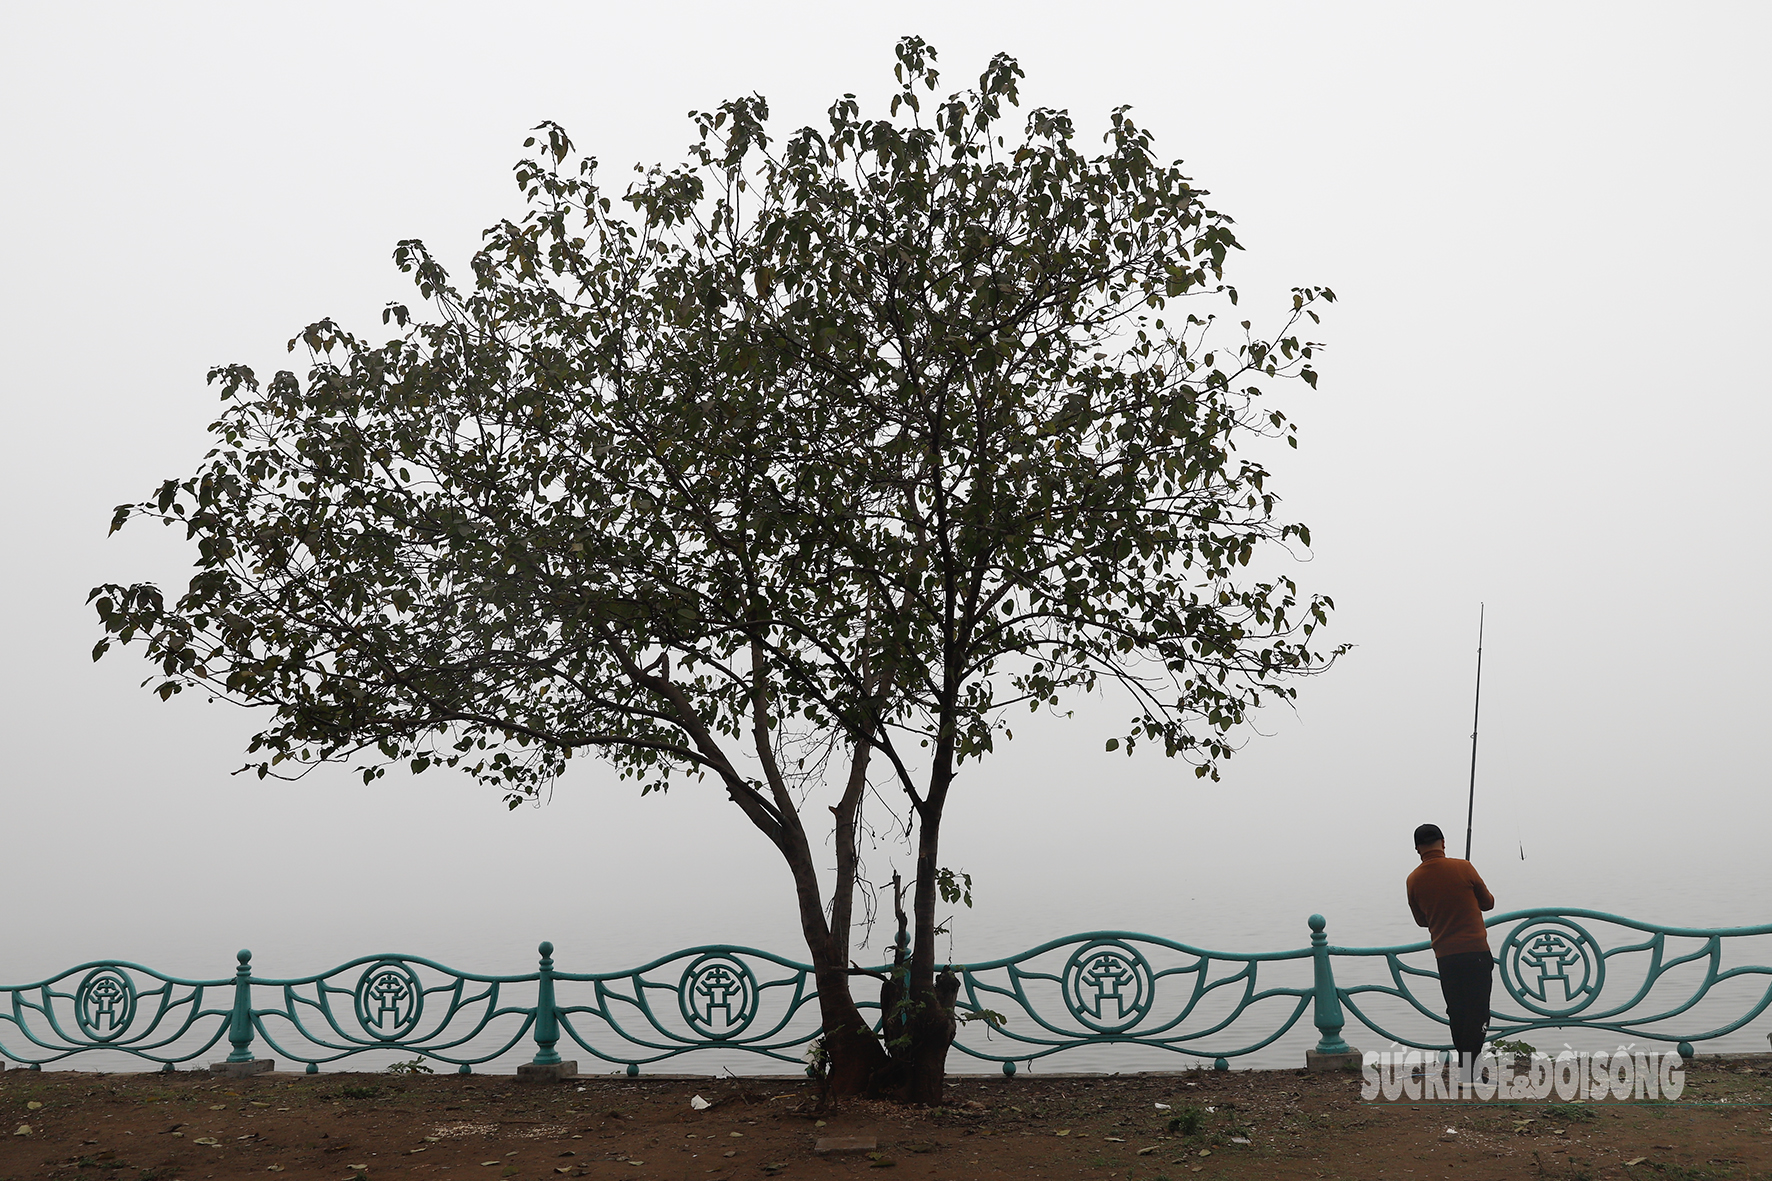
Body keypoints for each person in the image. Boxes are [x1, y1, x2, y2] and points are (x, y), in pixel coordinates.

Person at [1405, 822, 1495, 1085]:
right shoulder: (1463, 867)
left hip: (1446, 956)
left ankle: (1465, 1068)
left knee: (1457, 1011)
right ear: (1443, 843)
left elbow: (1421, 920)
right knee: (1478, 1012)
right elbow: (1488, 903)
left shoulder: (1413, 879)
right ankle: (1470, 1071)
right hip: (1477, 951)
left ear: (1417, 849)